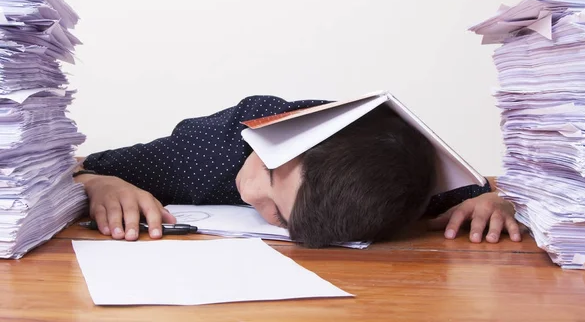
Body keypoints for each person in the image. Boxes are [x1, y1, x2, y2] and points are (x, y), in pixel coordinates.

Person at [74, 95, 521, 247]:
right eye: (268, 174)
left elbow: (480, 191)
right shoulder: (203, 151)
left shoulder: (419, 188)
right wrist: (100, 183)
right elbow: (81, 168)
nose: (251, 196)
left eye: (278, 217)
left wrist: (493, 201)